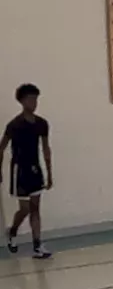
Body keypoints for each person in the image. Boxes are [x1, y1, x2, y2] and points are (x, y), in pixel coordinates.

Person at [1, 84, 53, 259]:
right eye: (30, 99)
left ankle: (37, 245)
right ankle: (12, 231)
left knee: (35, 208)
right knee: (24, 209)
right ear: (22, 101)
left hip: (35, 169)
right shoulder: (14, 125)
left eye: (36, 99)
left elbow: (46, 148)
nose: (34, 102)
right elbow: (1, 148)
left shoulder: (41, 123)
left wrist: (49, 173)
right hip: (19, 170)